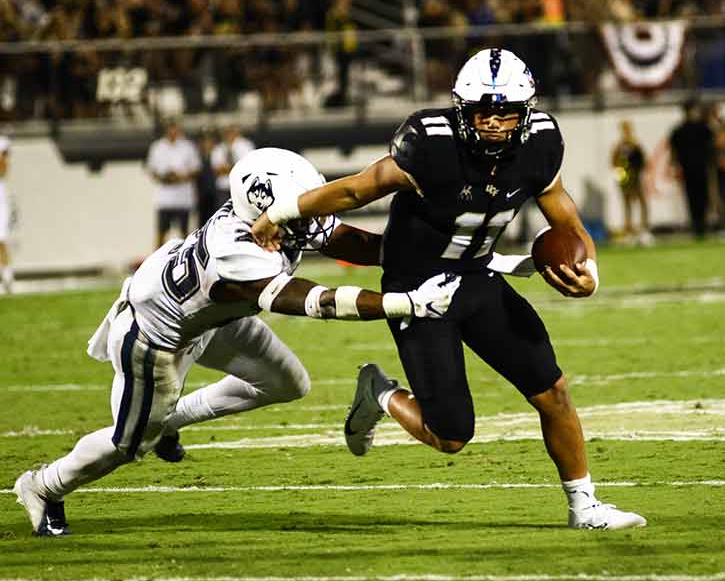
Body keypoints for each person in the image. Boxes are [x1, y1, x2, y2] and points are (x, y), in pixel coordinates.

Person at [252, 48, 646, 530]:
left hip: (479, 276)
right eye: (484, 110)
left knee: (553, 390)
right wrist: (283, 212)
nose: (496, 123)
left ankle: (584, 506)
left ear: (525, 112)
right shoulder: (430, 142)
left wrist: (590, 269)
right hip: (417, 287)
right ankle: (379, 392)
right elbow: (359, 188)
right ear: (462, 108)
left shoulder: (541, 143)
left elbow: (563, 214)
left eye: (506, 111)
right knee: (452, 435)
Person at [13, 148, 460, 536]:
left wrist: (428, 252)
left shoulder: (270, 218)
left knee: (287, 382)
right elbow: (310, 300)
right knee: (130, 445)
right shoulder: (236, 248)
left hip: (211, 319)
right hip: (157, 339)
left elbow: (344, 239)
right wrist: (404, 304)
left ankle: (172, 421)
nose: (313, 214)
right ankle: (43, 485)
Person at [146, 120, 200, 249]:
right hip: (164, 199)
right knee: (161, 232)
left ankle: (185, 260)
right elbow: (152, 170)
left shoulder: (188, 146)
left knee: (184, 233)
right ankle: (157, 262)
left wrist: (181, 176)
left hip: (183, 198)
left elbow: (196, 169)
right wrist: (165, 177)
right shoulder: (157, 147)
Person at [669, 99, 714, 239]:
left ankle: (697, 226)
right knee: (702, 198)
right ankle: (701, 226)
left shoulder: (678, 130)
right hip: (699, 168)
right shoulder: (703, 127)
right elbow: (710, 148)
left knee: (693, 199)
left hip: (689, 169)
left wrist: (676, 166)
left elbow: (674, 152)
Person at [611, 120, 653, 245]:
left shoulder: (635, 144)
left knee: (642, 201)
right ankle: (629, 230)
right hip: (625, 176)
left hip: (636, 175)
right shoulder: (619, 145)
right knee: (627, 202)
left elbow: (643, 159)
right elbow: (613, 161)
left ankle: (644, 229)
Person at [210, 124, 255, 209]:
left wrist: (227, 169)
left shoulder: (246, 145)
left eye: (232, 131)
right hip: (223, 187)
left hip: (242, 186)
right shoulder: (219, 148)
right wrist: (235, 168)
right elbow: (216, 170)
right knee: (224, 214)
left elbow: (249, 167)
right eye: (227, 132)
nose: (229, 133)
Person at [0, 136, 12, 293]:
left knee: (1, 240)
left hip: (1, 203)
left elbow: (3, 170)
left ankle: (8, 277)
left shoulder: (2, 143)